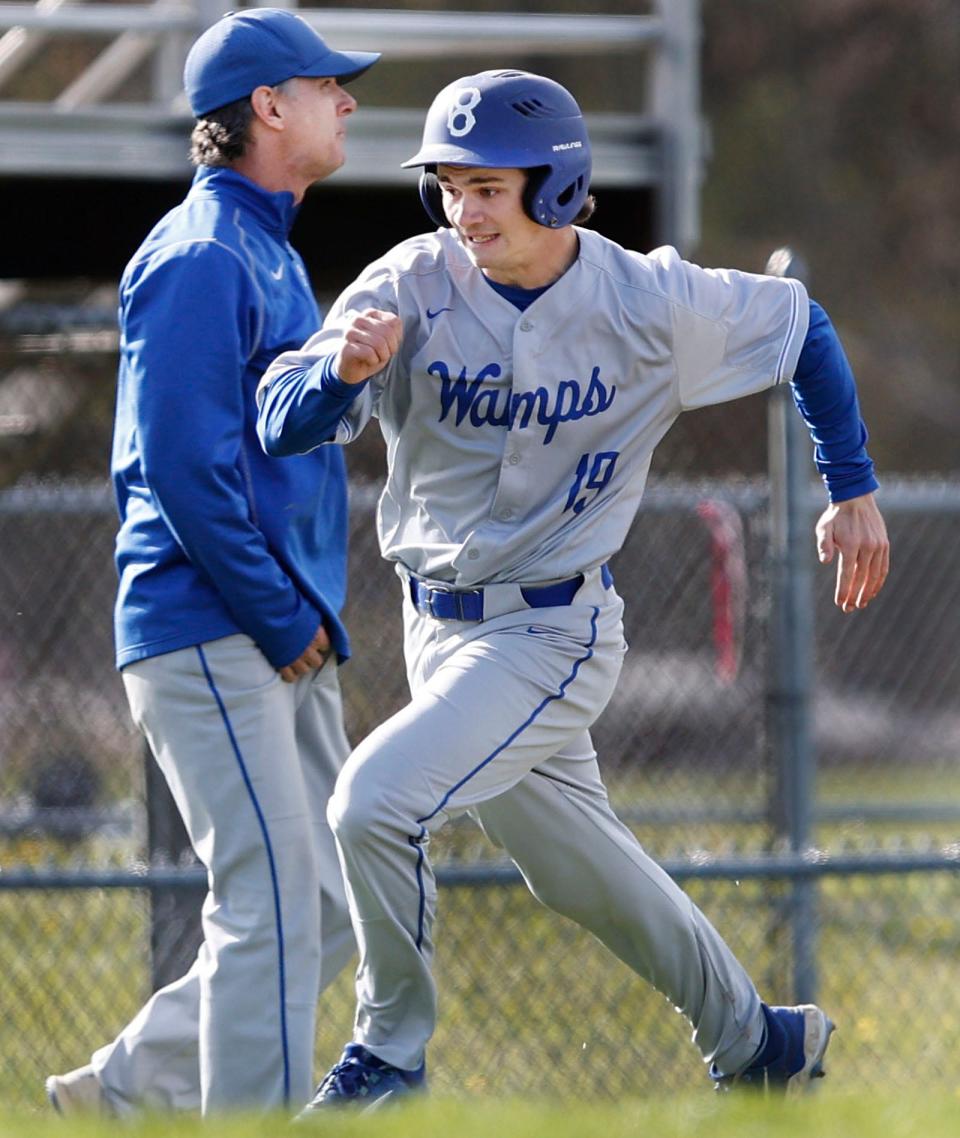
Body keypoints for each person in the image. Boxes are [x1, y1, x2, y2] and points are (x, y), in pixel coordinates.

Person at [256, 69, 890, 1109]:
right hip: (438, 626)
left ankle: (390, 1055)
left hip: (553, 633)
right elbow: (280, 416)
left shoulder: (647, 300)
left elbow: (800, 329)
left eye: (490, 188)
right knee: (581, 874)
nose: (464, 210)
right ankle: (760, 1044)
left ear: (556, 189)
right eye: (450, 186)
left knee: (374, 801)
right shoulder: (410, 282)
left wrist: (853, 487)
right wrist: (338, 377)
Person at [43, 9, 381, 1118]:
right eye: (327, 84)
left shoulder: (262, 247)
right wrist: (283, 619)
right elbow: (184, 474)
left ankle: (128, 1088)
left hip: (272, 623)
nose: (348, 99)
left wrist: (302, 617)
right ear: (264, 109)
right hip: (212, 624)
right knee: (274, 900)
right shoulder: (200, 253)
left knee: (329, 905)